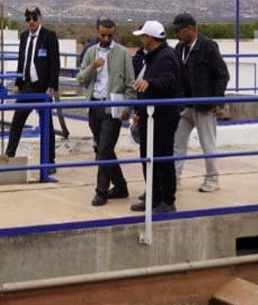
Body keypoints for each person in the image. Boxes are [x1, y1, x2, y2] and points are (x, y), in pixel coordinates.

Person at [76, 19, 136, 206]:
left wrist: (127, 108)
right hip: (94, 106)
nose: (107, 38)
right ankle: (120, 186)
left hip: (113, 108)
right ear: (97, 32)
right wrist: (93, 67)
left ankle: (101, 192)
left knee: (103, 149)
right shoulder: (91, 52)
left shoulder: (123, 53)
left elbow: (130, 84)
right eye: (103, 35)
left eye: (110, 35)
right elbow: (80, 78)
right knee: (105, 149)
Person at [171, 13, 230, 193]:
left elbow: (222, 74)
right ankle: (174, 180)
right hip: (184, 106)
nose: (176, 34)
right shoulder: (179, 48)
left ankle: (212, 180)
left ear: (191, 29)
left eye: (179, 30)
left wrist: (217, 100)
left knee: (208, 144)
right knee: (177, 145)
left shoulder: (208, 47)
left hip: (204, 105)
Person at [129, 20, 182, 214]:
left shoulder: (165, 57)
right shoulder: (153, 56)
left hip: (162, 117)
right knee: (149, 157)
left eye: (143, 36)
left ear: (149, 38)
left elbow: (168, 81)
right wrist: (139, 112)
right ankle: (154, 196)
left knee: (162, 159)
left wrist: (149, 83)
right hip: (150, 115)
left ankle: (167, 201)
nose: (142, 40)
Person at [5, 7, 61, 169]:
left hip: (42, 88)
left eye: (34, 18)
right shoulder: (24, 37)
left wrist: (51, 86)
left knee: (47, 126)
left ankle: (50, 162)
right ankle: (9, 155)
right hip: (26, 87)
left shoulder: (48, 36)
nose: (31, 22)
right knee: (17, 122)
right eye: (28, 19)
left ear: (40, 19)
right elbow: (21, 62)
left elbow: (55, 63)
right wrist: (17, 82)